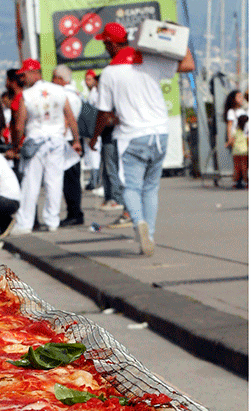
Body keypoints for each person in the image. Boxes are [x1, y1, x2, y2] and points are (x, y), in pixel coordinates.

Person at [90, 21, 194, 255]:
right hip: (160, 134)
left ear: (111, 43)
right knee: (151, 188)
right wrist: (180, 38)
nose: (105, 47)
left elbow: (103, 112)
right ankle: (151, 235)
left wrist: (94, 137)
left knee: (131, 187)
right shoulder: (149, 61)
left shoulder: (109, 74)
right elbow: (188, 64)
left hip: (132, 137)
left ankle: (138, 222)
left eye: (105, 43)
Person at [12, 59, 80, 234]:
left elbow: (19, 125)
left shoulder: (26, 96)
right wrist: (76, 139)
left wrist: (17, 145)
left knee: (31, 183)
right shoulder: (58, 91)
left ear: (34, 72)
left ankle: (25, 223)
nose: (22, 79)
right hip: (56, 140)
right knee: (54, 181)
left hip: (35, 140)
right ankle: (52, 221)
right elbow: (70, 117)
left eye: (24, 74)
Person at [51, 64, 84, 227]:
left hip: (67, 139)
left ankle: (74, 213)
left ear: (59, 79)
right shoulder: (76, 93)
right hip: (74, 139)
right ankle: (74, 211)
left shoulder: (63, 95)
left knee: (68, 179)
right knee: (73, 178)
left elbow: (66, 118)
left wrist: (60, 134)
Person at [224, 90, 248, 188]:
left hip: (244, 137)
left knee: (244, 162)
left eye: (241, 97)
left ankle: (242, 179)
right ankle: (238, 180)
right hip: (236, 138)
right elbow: (229, 126)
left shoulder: (243, 111)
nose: (241, 99)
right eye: (238, 97)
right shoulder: (231, 111)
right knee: (238, 162)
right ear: (233, 99)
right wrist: (230, 139)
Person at [82, 69, 102, 191]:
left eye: (89, 79)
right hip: (90, 128)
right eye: (86, 79)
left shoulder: (95, 93)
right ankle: (93, 179)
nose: (87, 82)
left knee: (95, 153)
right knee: (91, 154)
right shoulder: (90, 94)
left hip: (95, 128)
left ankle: (95, 180)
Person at [229, 115, 248, 189]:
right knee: (244, 167)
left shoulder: (236, 130)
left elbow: (232, 141)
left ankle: (234, 182)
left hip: (236, 150)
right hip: (244, 150)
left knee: (236, 167)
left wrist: (233, 145)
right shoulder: (246, 131)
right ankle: (246, 182)